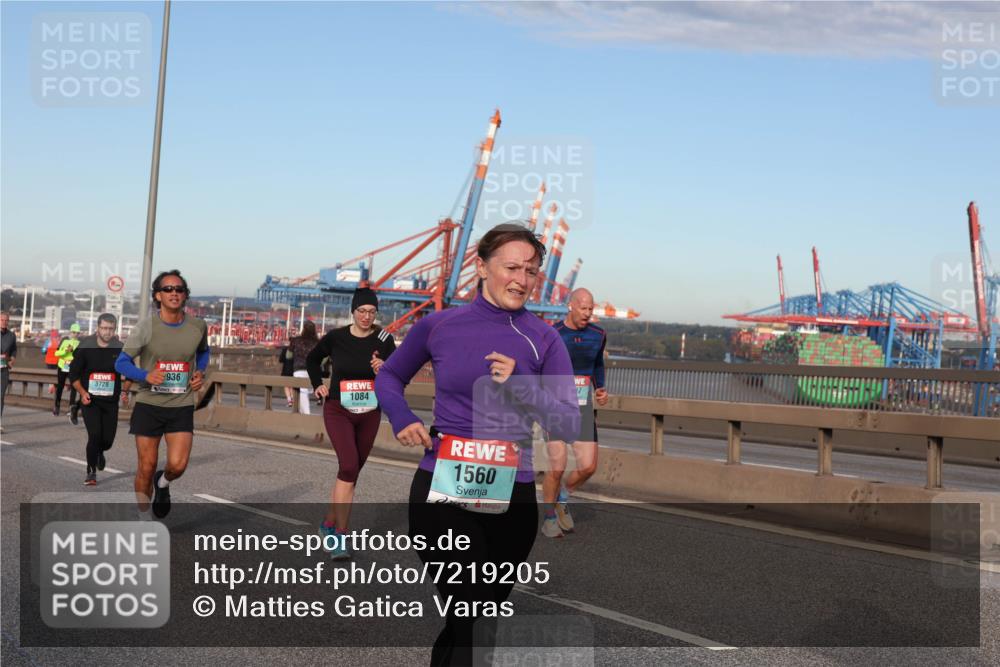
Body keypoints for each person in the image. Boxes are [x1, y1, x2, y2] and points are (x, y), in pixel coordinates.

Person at [376, 224, 580, 665]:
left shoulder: (543, 338)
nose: (521, 279)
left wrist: (522, 383)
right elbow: (389, 376)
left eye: (531, 271)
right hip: (443, 487)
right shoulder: (438, 325)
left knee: (474, 621)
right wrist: (403, 417)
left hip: (513, 494)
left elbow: (568, 418)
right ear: (482, 266)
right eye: (511, 267)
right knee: (467, 612)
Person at [307, 287, 396, 560]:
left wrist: (385, 365)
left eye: (371, 312)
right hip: (339, 409)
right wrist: (317, 385)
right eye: (362, 311)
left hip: (369, 412)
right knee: (347, 465)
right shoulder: (336, 337)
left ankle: (328, 524)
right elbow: (312, 359)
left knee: (351, 472)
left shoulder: (384, 338)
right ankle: (340, 537)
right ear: (353, 312)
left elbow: (398, 369)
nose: (367, 316)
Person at [115, 270, 209, 518]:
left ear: (185, 295)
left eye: (179, 289)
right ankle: (144, 517)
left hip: (181, 403)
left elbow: (203, 352)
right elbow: (121, 363)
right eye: (168, 289)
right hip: (149, 404)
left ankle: (163, 483)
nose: (174, 293)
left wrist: (200, 372)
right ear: (158, 295)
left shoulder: (198, 326)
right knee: (146, 467)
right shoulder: (146, 327)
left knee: (178, 465)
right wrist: (145, 375)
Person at [542, 287, 609, 538]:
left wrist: (600, 387)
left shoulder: (598, 334)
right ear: (570, 306)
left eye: (591, 309)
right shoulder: (552, 333)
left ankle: (563, 497)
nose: (588, 313)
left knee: (589, 466)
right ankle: (549, 518)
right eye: (583, 308)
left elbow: (597, 363)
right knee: (556, 468)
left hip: (582, 407)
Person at [69, 313, 131, 485]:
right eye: (104, 328)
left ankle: (99, 452)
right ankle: (91, 472)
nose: (107, 332)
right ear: (98, 328)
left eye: (110, 329)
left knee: (107, 441)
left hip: (111, 402)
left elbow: (130, 372)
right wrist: (82, 393)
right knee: (95, 435)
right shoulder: (86, 346)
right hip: (91, 401)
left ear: (115, 330)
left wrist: (125, 391)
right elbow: (73, 374)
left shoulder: (120, 348)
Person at [289, 320, 319, 414]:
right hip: (312, 370)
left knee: (302, 392)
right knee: (305, 391)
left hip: (298, 369)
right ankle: (303, 414)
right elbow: (324, 357)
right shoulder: (317, 342)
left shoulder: (296, 340)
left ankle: (306, 414)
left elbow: (288, 356)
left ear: (303, 329)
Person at [53, 323, 81, 418]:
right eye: (74, 332)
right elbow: (56, 353)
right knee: (60, 386)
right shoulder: (64, 341)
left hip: (72, 367)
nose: (76, 334)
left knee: (74, 387)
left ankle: (71, 408)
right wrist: (65, 351)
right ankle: (57, 406)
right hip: (62, 366)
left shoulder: (79, 343)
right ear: (70, 332)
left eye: (78, 333)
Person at [0, 311, 16, 430]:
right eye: (2, 320)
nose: (4, 322)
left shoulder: (11, 335)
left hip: (4, 369)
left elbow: (14, 349)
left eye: (6, 320)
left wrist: (12, 359)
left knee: (0, 396)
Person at [42, 328, 60, 394]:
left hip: (48, 361)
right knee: (56, 375)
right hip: (57, 361)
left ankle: (50, 389)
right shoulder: (59, 342)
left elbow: (43, 350)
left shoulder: (48, 342)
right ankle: (55, 388)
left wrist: (47, 351)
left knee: (50, 375)